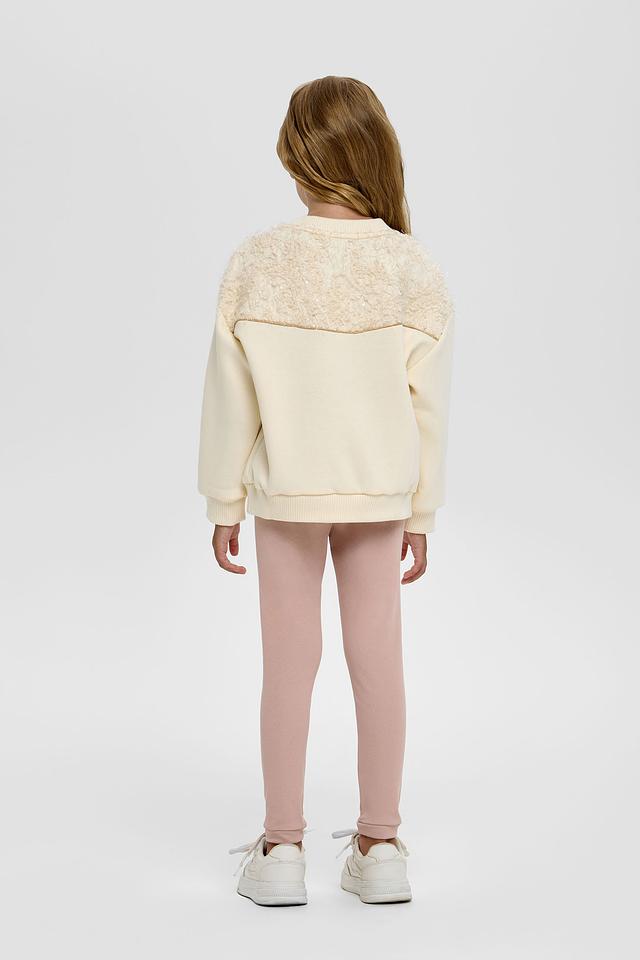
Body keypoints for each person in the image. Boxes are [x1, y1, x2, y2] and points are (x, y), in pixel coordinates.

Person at [198, 75, 454, 906]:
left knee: (288, 664)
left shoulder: (257, 261)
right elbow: (429, 409)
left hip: (288, 494)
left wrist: (223, 499)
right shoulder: (412, 267)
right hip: (380, 495)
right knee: (379, 663)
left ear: (294, 155)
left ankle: (281, 850)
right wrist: (422, 511)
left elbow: (230, 395)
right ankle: (380, 848)